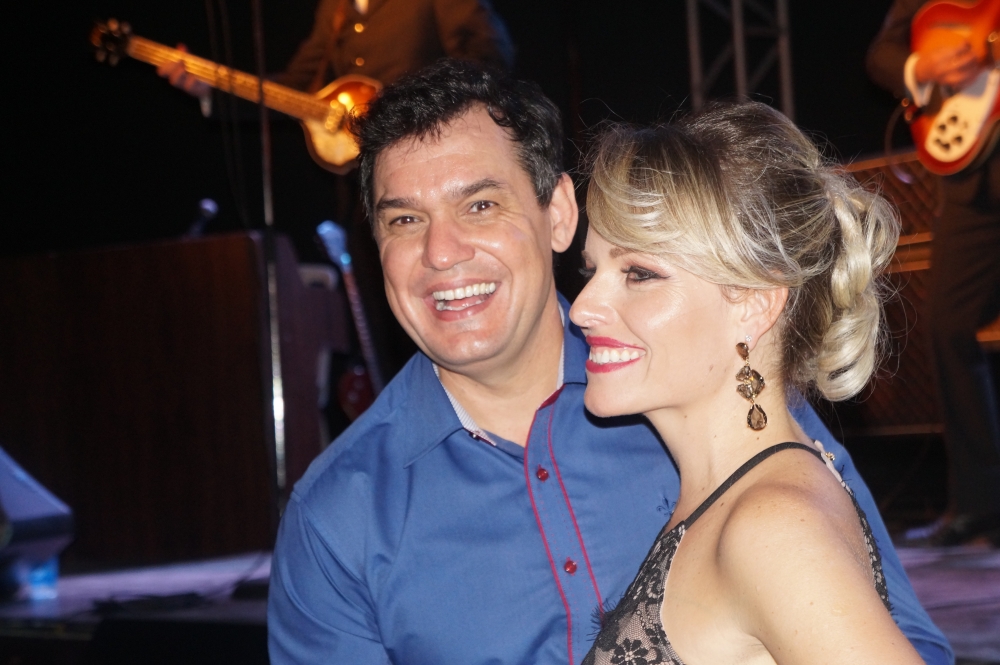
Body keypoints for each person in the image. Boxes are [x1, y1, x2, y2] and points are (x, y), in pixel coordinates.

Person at [266, 60, 952, 664]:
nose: (441, 252)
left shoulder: (723, 405)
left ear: (559, 213)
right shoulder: (339, 515)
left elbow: (901, 635)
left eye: (480, 204)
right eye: (404, 220)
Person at [573, 102, 926, 665]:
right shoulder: (741, 497)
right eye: (592, 271)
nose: (583, 308)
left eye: (638, 273)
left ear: (755, 305)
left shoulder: (772, 527)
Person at [159, 0, 514, 379]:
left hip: (437, 180)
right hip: (364, 195)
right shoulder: (336, 8)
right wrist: (210, 87)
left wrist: (413, 114)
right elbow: (298, 86)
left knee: (440, 296)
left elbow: (487, 56)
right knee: (383, 318)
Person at [867, 0, 1000, 546]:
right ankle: (979, 504)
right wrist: (923, 66)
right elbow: (883, 51)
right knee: (946, 326)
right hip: (971, 177)